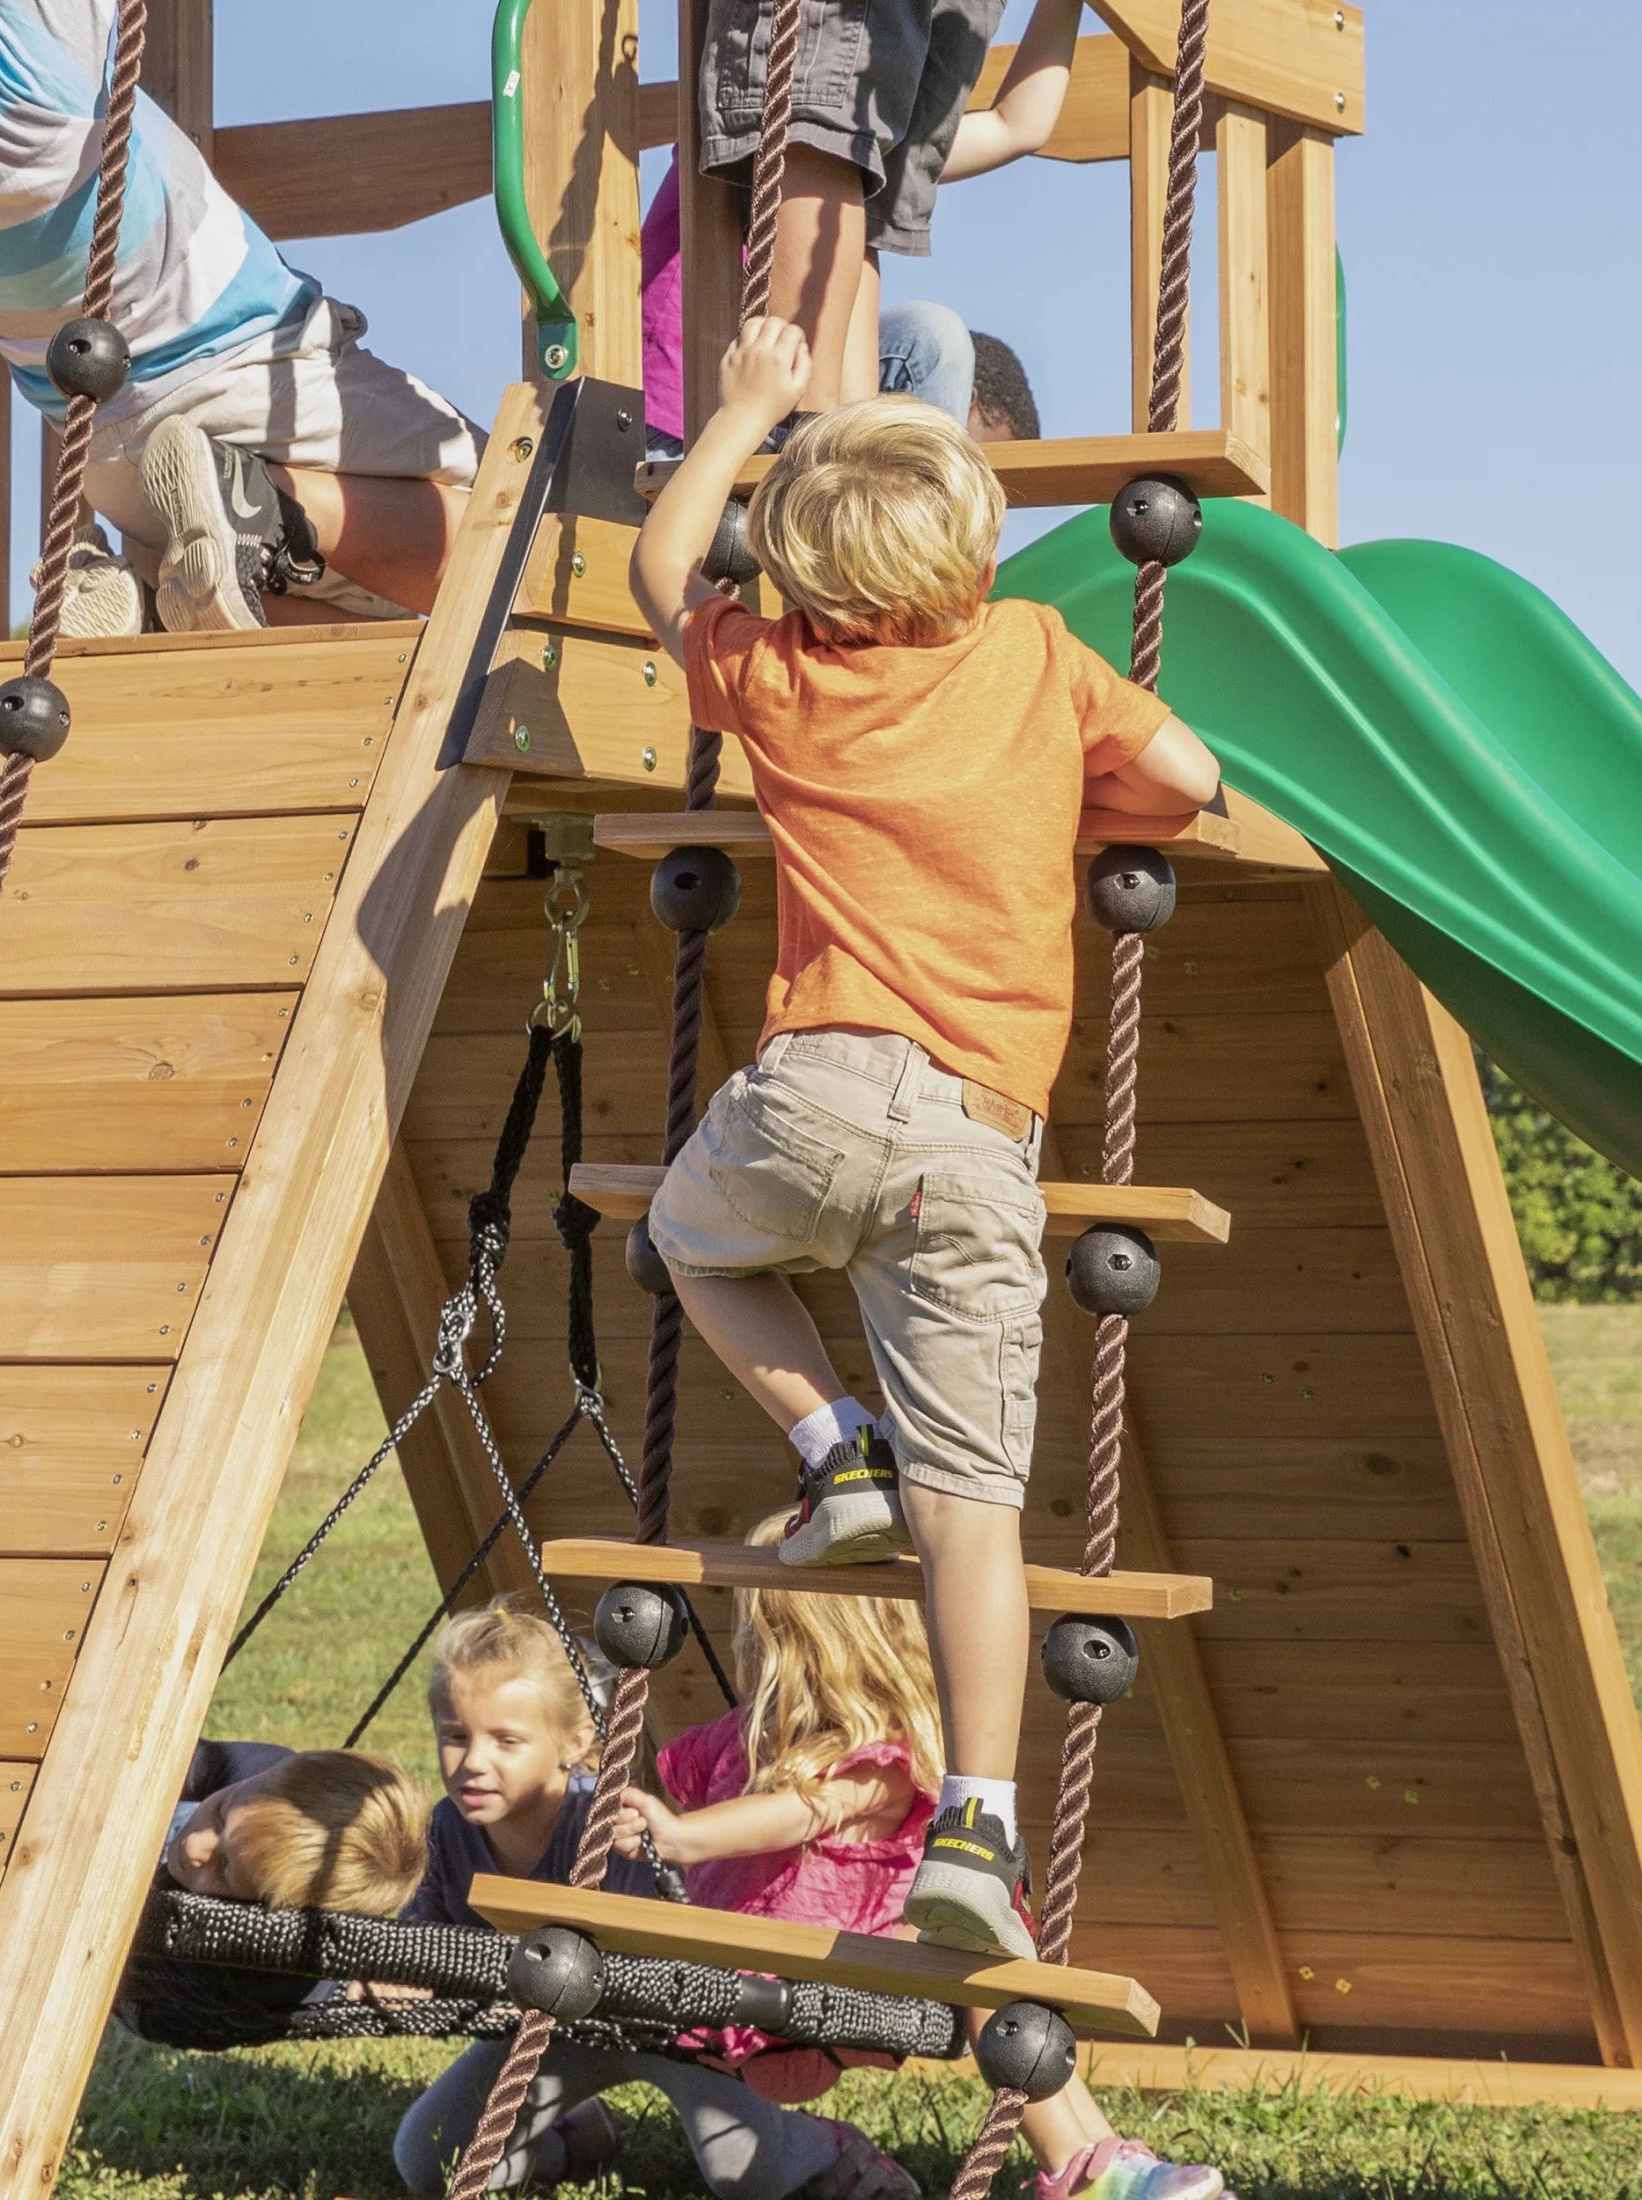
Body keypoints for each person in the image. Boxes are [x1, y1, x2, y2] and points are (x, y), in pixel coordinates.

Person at [625, 322, 1221, 1962]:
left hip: (811, 1088)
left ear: (804, 570)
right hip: (974, 1134)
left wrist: (745, 406)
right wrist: (1074, 805)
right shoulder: (1036, 658)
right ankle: (978, 1824)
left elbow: (660, 563)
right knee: (982, 1513)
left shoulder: (780, 672)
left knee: (694, 1237)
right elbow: (1191, 776)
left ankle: (833, 1453)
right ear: (971, 546)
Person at [615, 1515, 1225, 2200]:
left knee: (983, 1938)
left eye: (760, 1626)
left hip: (833, 1967)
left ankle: (1096, 2155)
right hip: (774, 1982)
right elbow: (759, 1805)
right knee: (975, 1945)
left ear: (800, 1643)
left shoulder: (880, 1764)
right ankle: (1083, 2168)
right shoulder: (742, 1740)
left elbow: (804, 1809)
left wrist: (683, 1836)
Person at [0, 0, 482, 636]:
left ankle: (154, 603)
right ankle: (263, 505)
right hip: (245, 375)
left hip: (111, 461)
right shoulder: (29, 53)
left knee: (350, 597)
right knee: (520, 518)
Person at [392, 1599, 917, 2200]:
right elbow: (428, 1939)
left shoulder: (607, 1823)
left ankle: (830, 2151)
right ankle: (572, 2136)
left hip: (675, 2029)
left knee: (748, 2176)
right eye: (455, 1736)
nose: (473, 1763)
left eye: (506, 1741)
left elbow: (683, 1932)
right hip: (554, 2029)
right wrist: (405, 1976)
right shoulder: (447, 1830)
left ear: (576, 1742)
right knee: (429, 2158)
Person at [647, 0, 1080, 447]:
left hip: (798, 394)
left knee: (932, 335)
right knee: (927, 336)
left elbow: (1020, 127)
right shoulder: (803, 127)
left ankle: (850, 459)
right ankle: (824, 447)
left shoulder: (856, 159)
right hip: (689, 394)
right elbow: (818, 116)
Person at [117, 1739, 429, 2048]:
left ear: (271, 1917)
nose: (196, 1846)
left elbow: (323, 1972)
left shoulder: (276, 1974)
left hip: (163, 1983)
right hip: (149, 1832)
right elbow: (163, 1755)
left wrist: (374, 1970)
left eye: (224, 1868)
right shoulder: (263, 1775)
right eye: (220, 1816)